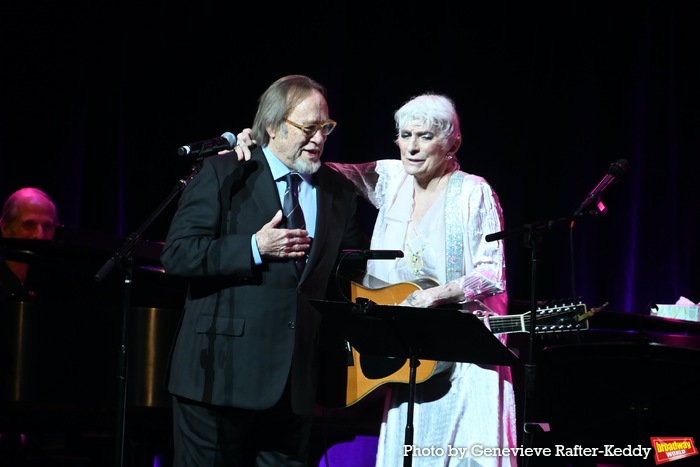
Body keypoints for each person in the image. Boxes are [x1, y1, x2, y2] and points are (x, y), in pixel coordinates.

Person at [235, 93, 518, 466]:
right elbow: (317, 165)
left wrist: (433, 297)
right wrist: (263, 144)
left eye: (426, 136)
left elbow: (490, 273)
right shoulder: (391, 178)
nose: (412, 148)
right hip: (411, 356)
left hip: (464, 361)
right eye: (405, 135)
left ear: (453, 142)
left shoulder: (472, 191)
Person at [160, 74, 366, 466]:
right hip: (219, 378)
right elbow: (179, 255)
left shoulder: (338, 191)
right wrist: (254, 247)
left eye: (326, 127)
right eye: (308, 128)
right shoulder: (226, 173)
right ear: (271, 127)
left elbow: (346, 272)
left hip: (295, 387)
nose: (320, 138)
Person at [0, 187, 58, 301]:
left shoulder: (57, 286)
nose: (39, 235)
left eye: (46, 226)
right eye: (28, 225)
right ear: (5, 227)